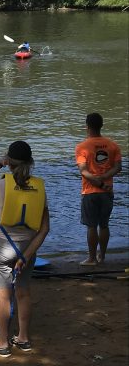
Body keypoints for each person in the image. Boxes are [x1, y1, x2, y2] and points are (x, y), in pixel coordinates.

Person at [0, 141, 50, 357]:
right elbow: (45, 229)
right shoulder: (40, 187)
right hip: (27, 248)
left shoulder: (0, 185)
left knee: (3, 296)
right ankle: (23, 338)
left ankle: (2, 344)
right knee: (23, 292)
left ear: (9, 161)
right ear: (30, 162)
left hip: (1, 247)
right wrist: (26, 256)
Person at [75, 112, 122, 266]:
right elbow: (118, 167)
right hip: (107, 191)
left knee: (91, 226)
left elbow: (84, 171)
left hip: (89, 192)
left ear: (87, 126)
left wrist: (97, 180)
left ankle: (91, 259)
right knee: (104, 225)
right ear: (102, 125)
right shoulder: (112, 145)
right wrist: (104, 178)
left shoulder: (82, 147)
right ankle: (102, 256)